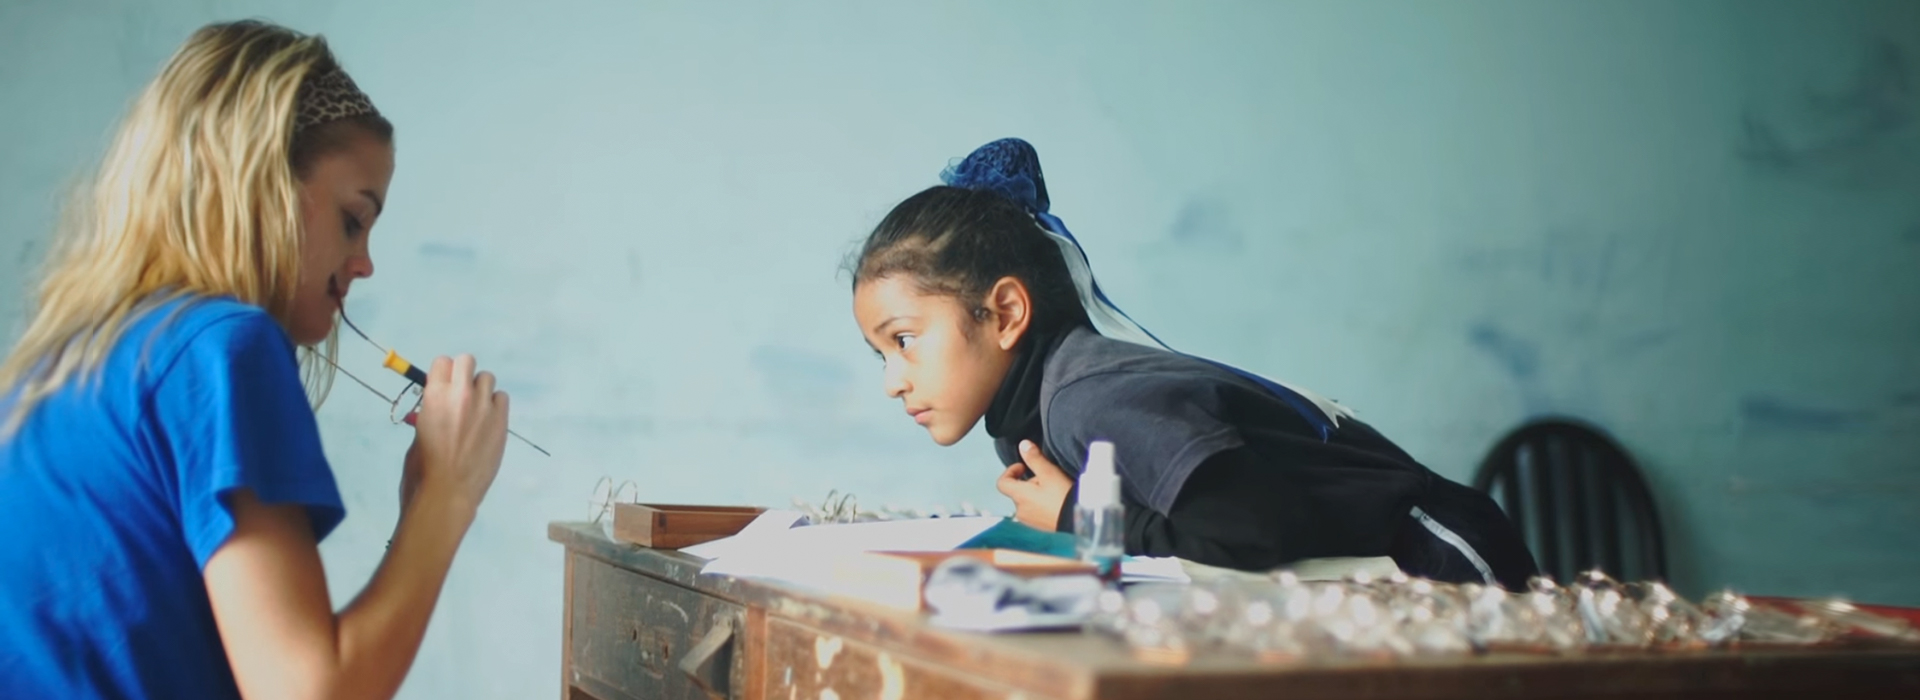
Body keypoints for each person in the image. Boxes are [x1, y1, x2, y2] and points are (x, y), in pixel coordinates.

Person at [0, 20, 511, 699]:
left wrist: (421, 507)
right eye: (353, 219)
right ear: (259, 183)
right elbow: (309, 690)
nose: (364, 263)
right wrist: (450, 494)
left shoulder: (74, 360)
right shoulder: (221, 348)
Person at [847, 138, 1538, 589]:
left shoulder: (1094, 402)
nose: (891, 382)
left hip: (1443, 561)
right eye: (880, 354)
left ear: (1003, 314)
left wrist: (1079, 514)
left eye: (903, 340)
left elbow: (1255, 530)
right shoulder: (1033, 414)